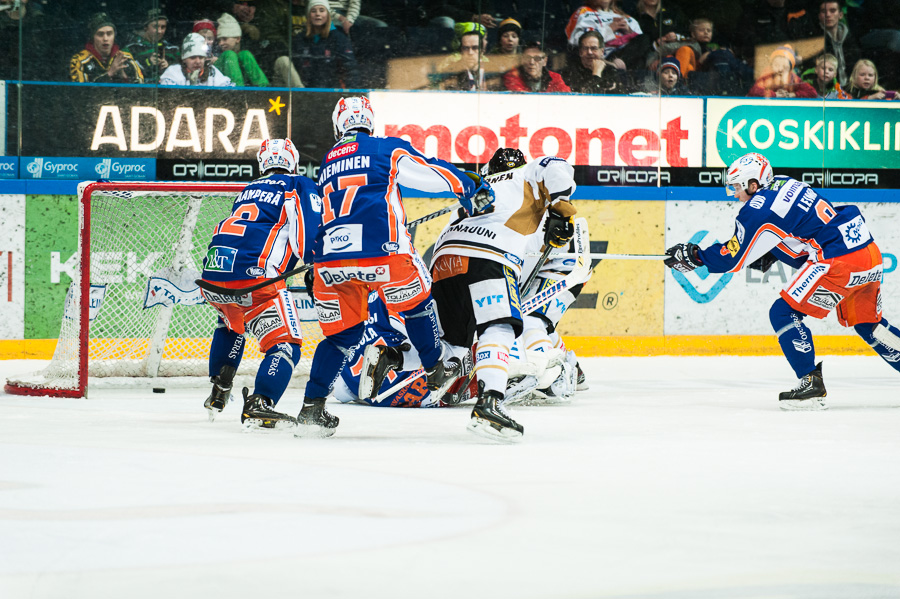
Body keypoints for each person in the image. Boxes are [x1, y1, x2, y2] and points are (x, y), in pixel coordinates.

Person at [295, 96, 487, 438]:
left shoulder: (325, 165)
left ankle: (312, 407)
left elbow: (316, 216)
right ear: (370, 122)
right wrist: (469, 186)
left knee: (341, 338)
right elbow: (431, 172)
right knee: (418, 302)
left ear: (339, 126)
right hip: (383, 253)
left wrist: (315, 260)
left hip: (331, 260)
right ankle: (433, 369)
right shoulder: (385, 148)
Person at [663, 152, 900, 410]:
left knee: (783, 313)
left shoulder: (756, 209)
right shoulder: (784, 181)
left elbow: (731, 258)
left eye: (737, 187)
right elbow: (799, 229)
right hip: (866, 250)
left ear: (753, 184)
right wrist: (773, 252)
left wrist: (695, 256)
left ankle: (811, 385)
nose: (734, 194)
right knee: (869, 324)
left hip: (838, 259)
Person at [425, 147, 578, 441]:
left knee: (454, 347)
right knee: (500, 326)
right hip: (488, 256)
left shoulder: (476, 191)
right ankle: (489, 404)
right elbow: (556, 165)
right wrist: (561, 208)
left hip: (444, 260)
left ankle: (394, 356)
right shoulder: (527, 173)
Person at [199, 138, 322, 429]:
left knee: (232, 321)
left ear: (262, 163)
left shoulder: (247, 190)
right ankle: (261, 403)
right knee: (285, 346)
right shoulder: (298, 184)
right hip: (255, 281)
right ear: (293, 162)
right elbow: (308, 233)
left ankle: (220, 387)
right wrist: (316, 262)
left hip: (213, 276)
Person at [291, 0, 359, 89]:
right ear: (308, 15)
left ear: (328, 15)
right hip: (305, 91)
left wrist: (352, 94)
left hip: (332, 91)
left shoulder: (339, 38)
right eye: (313, 11)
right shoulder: (300, 38)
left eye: (322, 10)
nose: (317, 14)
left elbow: (350, 69)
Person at [791, 0, 860, 87]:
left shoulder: (850, 38)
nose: (828, 15)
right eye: (824, 11)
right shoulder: (814, 40)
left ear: (840, 15)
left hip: (850, 90)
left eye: (832, 11)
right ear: (819, 16)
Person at [565, 0, 648, 70]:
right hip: (602, 57)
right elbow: (575, 40)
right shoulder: (583, 12)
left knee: (645, 38)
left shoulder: (626, 17)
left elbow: (642, 43)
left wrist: (629, 32)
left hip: (625, 57)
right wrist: (609, 29)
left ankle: (618, 64)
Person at [70, 12, 144, 83]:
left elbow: (143, 91)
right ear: (93, 37)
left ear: (114, 36)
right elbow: (80, 93)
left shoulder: (126, 58)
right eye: (100, 34)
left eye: (109, 34)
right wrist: (110, 73)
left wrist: (124, 78)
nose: (105, 38)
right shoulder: (79, 60)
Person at [123, 8, 179, 84]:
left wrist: (169, 67)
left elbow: (184, 71)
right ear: (145, 27)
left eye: (163, 27)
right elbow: (126, 74)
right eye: (155, 26)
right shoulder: (131, 49)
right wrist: (148, 63)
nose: (159, 31)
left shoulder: (173, 50)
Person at [159, 32, 234, 86]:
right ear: (184, 59)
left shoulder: (212, 72)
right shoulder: (173, 72)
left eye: (201, 57)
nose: (198, 61)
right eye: (192, 58)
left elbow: (229, 90)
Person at [215, 13, 269, 86]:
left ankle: (264, 91)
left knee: (244, 54)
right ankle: (238, 89)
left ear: (237, 39)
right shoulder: (217, 52)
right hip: (230, 93)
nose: (220, 43)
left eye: (225, 39)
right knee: (229, 54)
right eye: (219, 40)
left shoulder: (244, 55)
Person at [747, 44, 816, 98]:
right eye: (776, 65)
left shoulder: (794, 78)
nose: (780, 69)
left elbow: (812, 93)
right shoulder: (766, 75)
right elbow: (754, 91)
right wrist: (774, 94)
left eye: (785, 67)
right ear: (771, 65)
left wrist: (793, 94)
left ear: (790, 69)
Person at [502, 41, 571, 93]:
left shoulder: (555, 78)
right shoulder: (513, 76)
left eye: (537, 58)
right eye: (527, 58)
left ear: (545, 61)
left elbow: (567, 98)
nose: (531, 62)